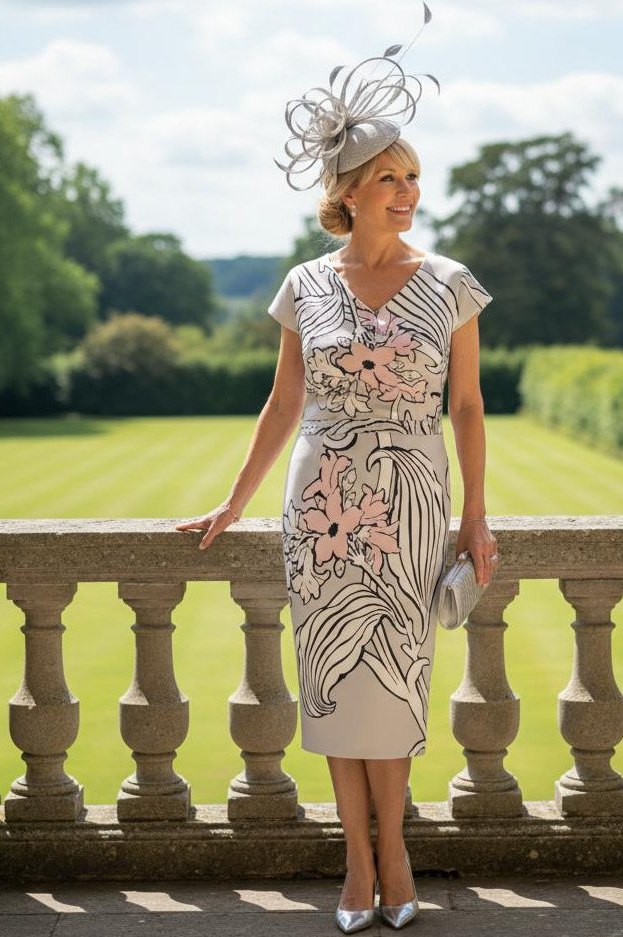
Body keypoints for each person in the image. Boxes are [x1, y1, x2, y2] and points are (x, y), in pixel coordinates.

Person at [176, 4, 499, 931]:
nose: (406, 192)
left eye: (413, 178)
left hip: (407, 498)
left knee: (392, 677)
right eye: (389, 178)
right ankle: (356, 864)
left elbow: (468, 407)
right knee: (332, 677)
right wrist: (236, 499)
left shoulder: (450, 283)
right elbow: (283, 404)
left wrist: (475, 517)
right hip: (318, 504)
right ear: (348, 190)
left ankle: (394, 853)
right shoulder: (304, 286)